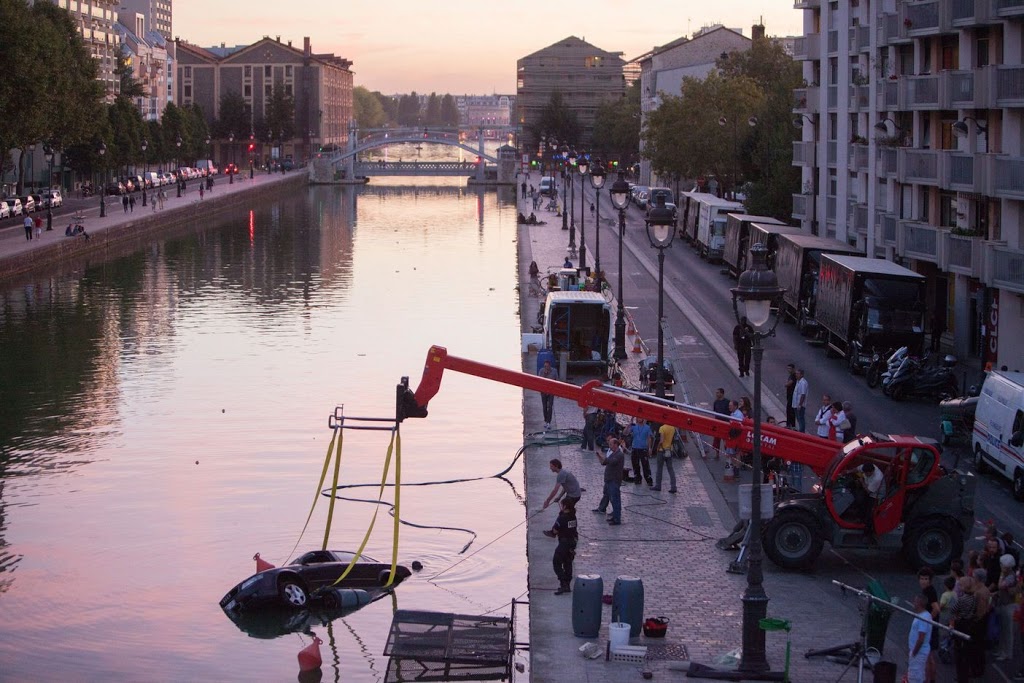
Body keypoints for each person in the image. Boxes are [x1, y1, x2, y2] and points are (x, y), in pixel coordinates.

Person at [542, 499, 577, 595]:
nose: (561, 507)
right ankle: (567, 585)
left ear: (565, 506)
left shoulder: (562, 518)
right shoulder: (573, 516)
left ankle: (563, 583)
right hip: (572, 542)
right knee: (567, 563)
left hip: (564, 543)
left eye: (562, 505)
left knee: (556, 562)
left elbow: (555, 531)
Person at [593, 437, 625, 525]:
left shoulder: (619, 454)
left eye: (611, 444)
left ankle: (617, 519)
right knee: (609, 497)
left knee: (615, 500)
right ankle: (612, 515)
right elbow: (603, 463)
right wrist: (599, 456)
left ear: (615, 444)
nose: (609, 446)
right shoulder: (613, 453)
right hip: (609, 480)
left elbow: (611, 461)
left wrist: (602, 456)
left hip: (614, 480)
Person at [918, 567, 942, 682]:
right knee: (929, 656)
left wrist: (927, 622)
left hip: (930, 628)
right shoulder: (928, 590)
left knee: (927, 657)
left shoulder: (929, 592)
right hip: (931, 627)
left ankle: (927, 680)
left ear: (930, 580)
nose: (923, 581)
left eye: (926, 579)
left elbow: (936, 609)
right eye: (922, 578)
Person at [907, 593, 933, 683]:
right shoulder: (923, 615)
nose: (913, 603)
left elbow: (921, 638)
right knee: (920, 675)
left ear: (919, 603)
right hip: (919, 652)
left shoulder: (923, 618)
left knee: (915, 677)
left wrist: (914, 652)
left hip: (918, 652)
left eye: (915, 601)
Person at [651, 422, 677, 493]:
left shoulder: (662, 428)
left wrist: (657, 447)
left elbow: (661, 440)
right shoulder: (673, 428)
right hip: (669, 450)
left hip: (661, 451)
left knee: (659, 469)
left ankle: (658, 486)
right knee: (670, 469)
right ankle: (673, 486)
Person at [859, 462, 884, 537]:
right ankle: (861, 518)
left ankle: (867, 533)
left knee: (870, 514)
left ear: (872, 472)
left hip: (876, 496)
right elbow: (857, 469)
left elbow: (868, 491)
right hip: (870, 490)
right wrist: (848, 471)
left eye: (867, 474)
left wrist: (862, 482)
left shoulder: (877, 478)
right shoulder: (867, 467)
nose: (865, 475)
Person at [628, 418, 653, 486]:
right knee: (635, 464)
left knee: (645, 465)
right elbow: (625, 433)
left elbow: (649, 438)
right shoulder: (634, 426)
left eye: (640, 418)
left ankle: (648, 479)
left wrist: (650, 448)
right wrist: (629, 425)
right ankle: (637, 478)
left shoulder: (647, 427)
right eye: (638, 417)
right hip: (635, 448)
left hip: (643, 448)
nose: (639, 419)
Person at [711, 388, 729, 459]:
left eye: (718, 393)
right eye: (716, 393)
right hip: (717, 423)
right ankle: (717, 454)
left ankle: (728, 454)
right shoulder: (716, 402)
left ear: (722, 393)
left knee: (725, 440)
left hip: (725, 423)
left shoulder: (727, 402)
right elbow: (715, 411)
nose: (716, 394)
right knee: (716, 439)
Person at [538, 360, 557, 429]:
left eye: (547, 366)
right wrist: (545, 374)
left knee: (550, 406)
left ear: (549, 366)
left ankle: (549, 422)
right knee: (544, 406)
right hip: (543, 391)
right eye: (545, 366)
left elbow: (556, 381)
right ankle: (546, 420)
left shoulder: (554, 371)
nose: (546, 368)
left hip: (551, 391)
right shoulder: (541, 371)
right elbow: (539, 380)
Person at [792, 368, 808, 433]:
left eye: (798, 374)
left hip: (800, 405)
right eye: (796, 373)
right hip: (795, 404)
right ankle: (800, 430)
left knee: (801, 418)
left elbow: (803, 394)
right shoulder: (798, 381)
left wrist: (800, 405)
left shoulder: (803, 383)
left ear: (802, 375)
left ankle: (802, 432)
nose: (796, 375)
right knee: (798, 418)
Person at [785, 363, 797, 427]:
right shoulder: (791, 375)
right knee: (789, 410)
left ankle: (791, 424)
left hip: (792, 396)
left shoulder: (793, 376)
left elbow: (790, 383)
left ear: (793, 369)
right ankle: (790, 424)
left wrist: (786, 384)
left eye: (790, 368)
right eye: (788, 368)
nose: (788, 370)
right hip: (789, 395)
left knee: (790, 411)